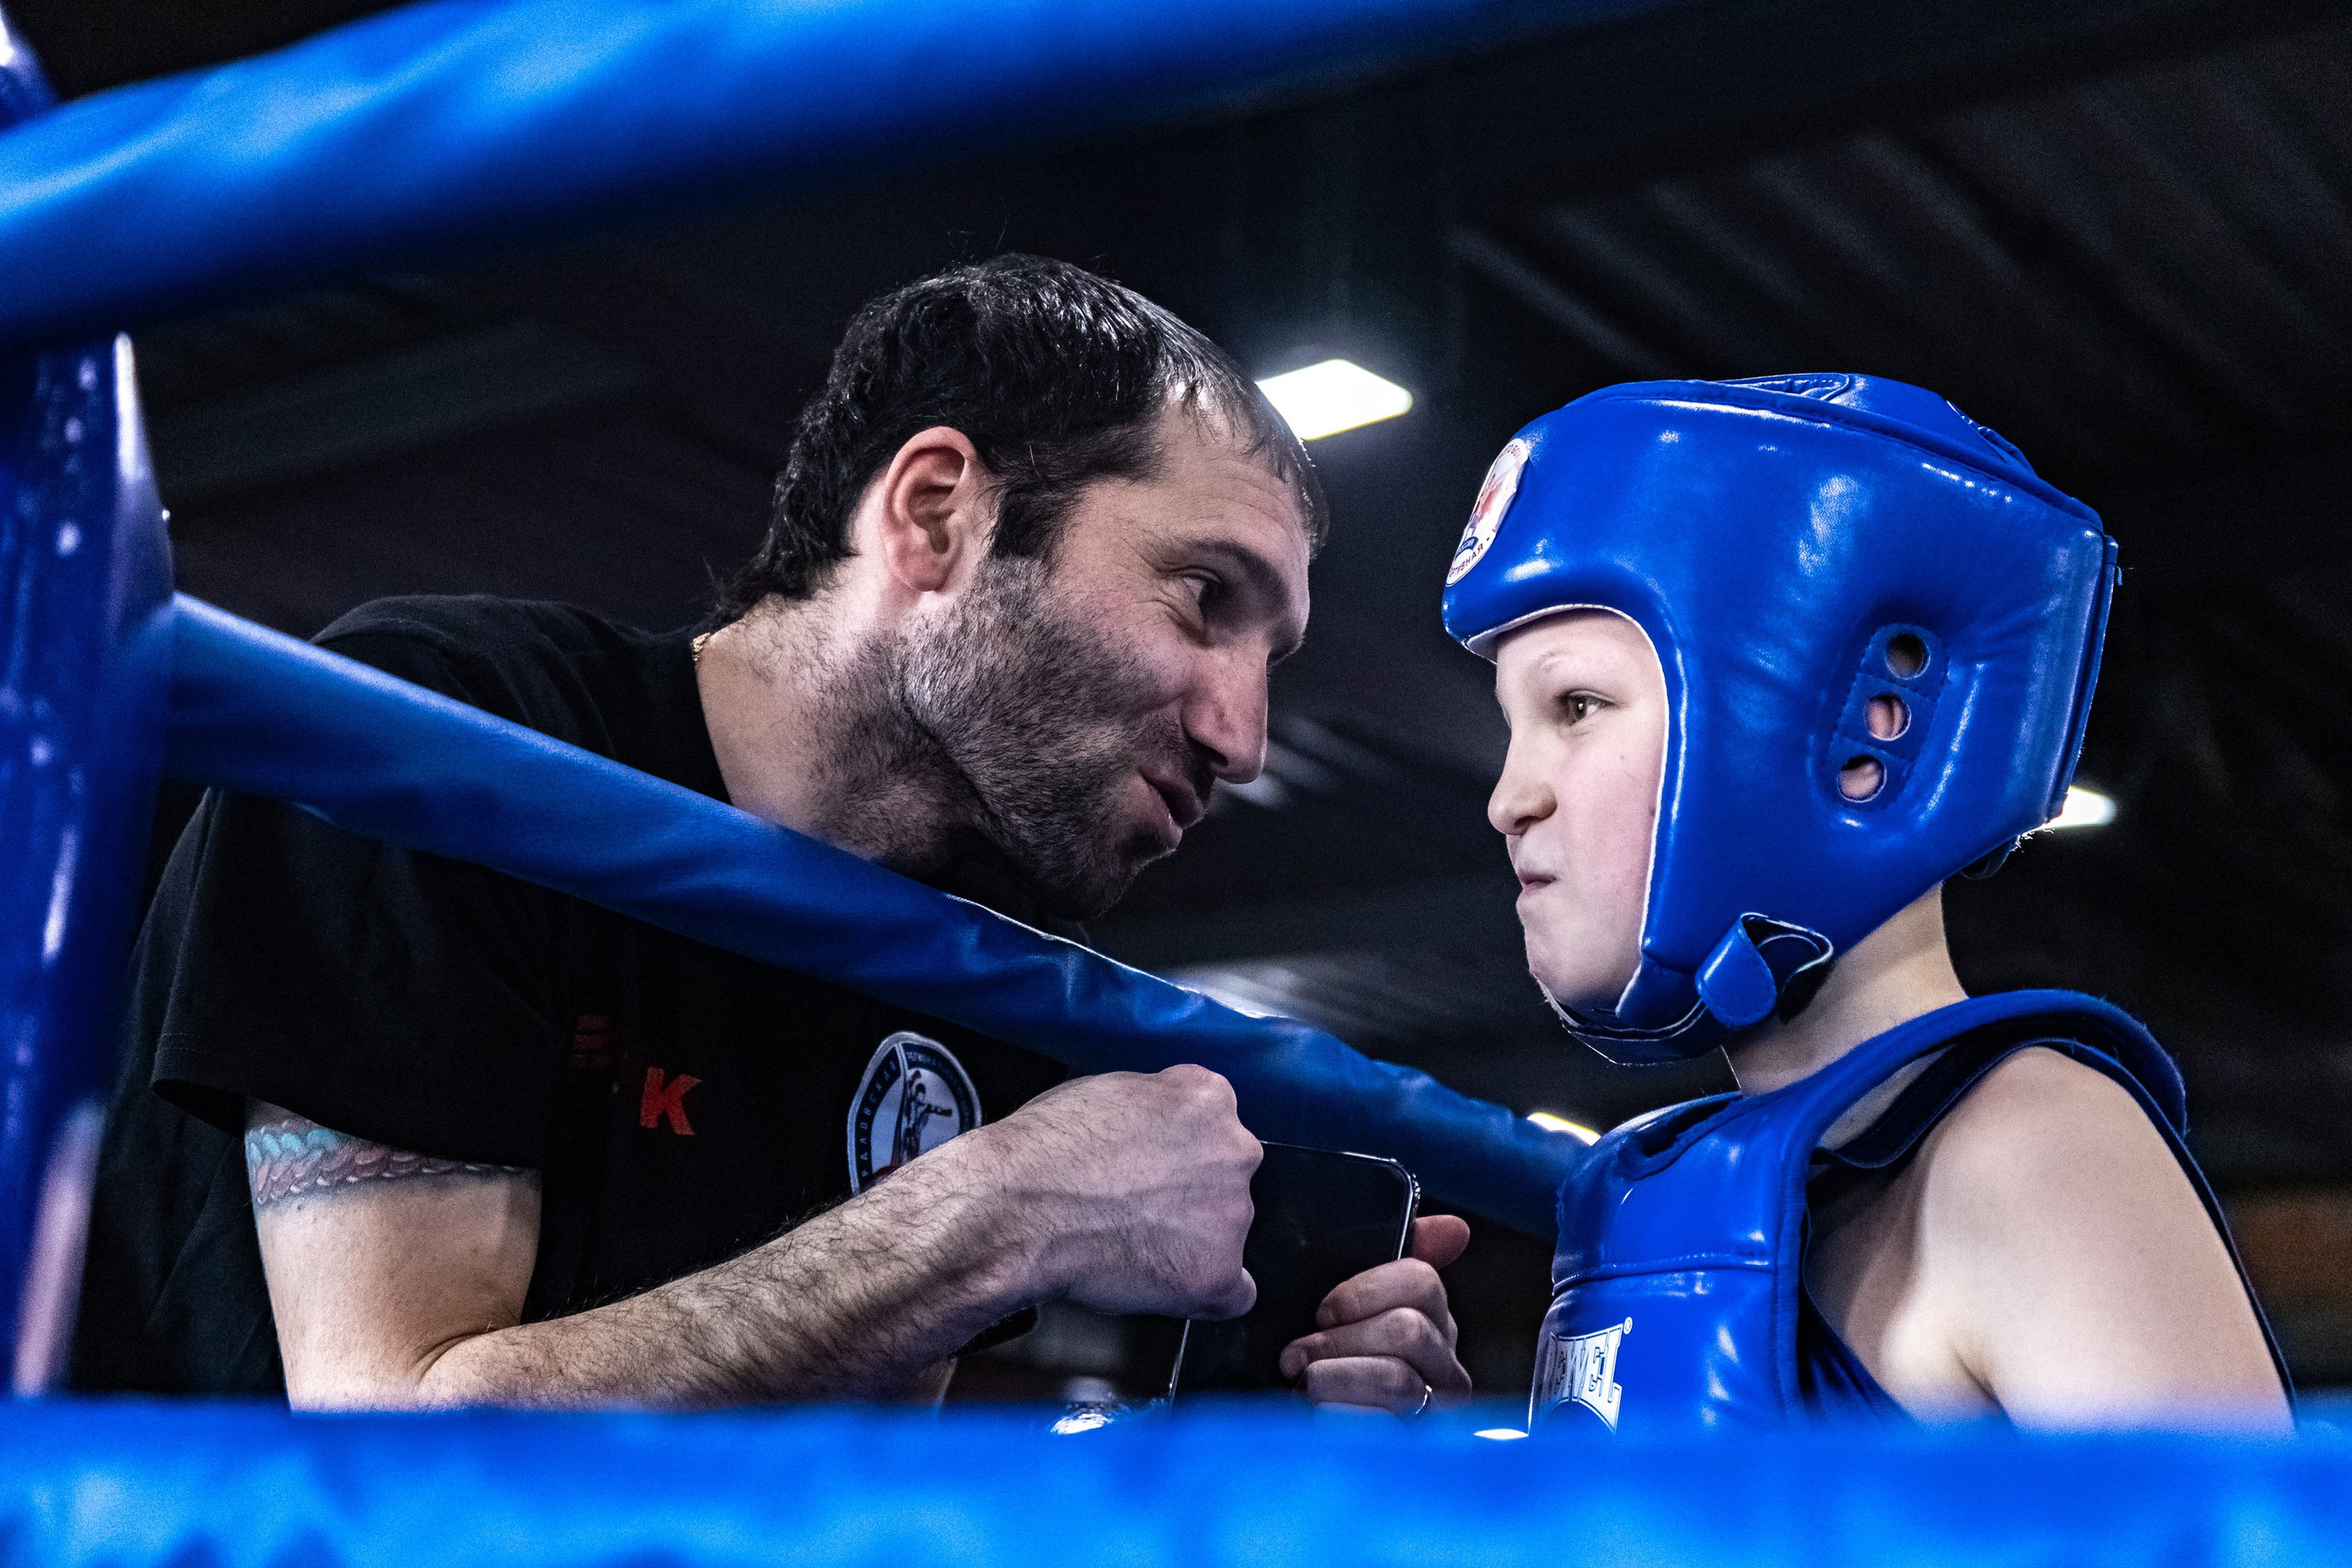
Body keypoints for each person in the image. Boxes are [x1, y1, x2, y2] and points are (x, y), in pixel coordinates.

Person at [71, 255, 1469, 1412]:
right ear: (938, 515)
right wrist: (999, 1215)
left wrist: (1221, 1451)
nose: (1245, 733)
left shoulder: (977, 965)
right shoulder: (453, 741)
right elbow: (389, 1446)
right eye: (1202, 595)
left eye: (1273, 654)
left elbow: (838, 1494)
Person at [1426, 373, 2290, 1431]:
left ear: (1866, 733)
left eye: (1577, 706)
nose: (1510, 799)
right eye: (1515, 724)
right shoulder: (1658, 1190)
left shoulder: (2028, 1152)